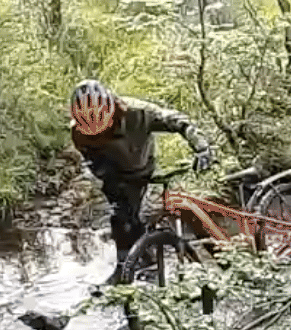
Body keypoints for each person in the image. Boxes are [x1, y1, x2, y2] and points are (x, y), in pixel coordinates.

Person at [68, 79, 212, 283]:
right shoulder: (78, 133)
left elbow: (177, 120)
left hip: (141, 165)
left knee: (143, 215)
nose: (101, 132)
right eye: (95, 133)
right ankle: (126, 264)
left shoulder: (137, 112)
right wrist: (107, 177)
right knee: (121, 217)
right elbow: (91, 160)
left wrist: (201, 147)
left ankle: (156, 258)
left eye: (104, 126)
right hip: (113, 173)